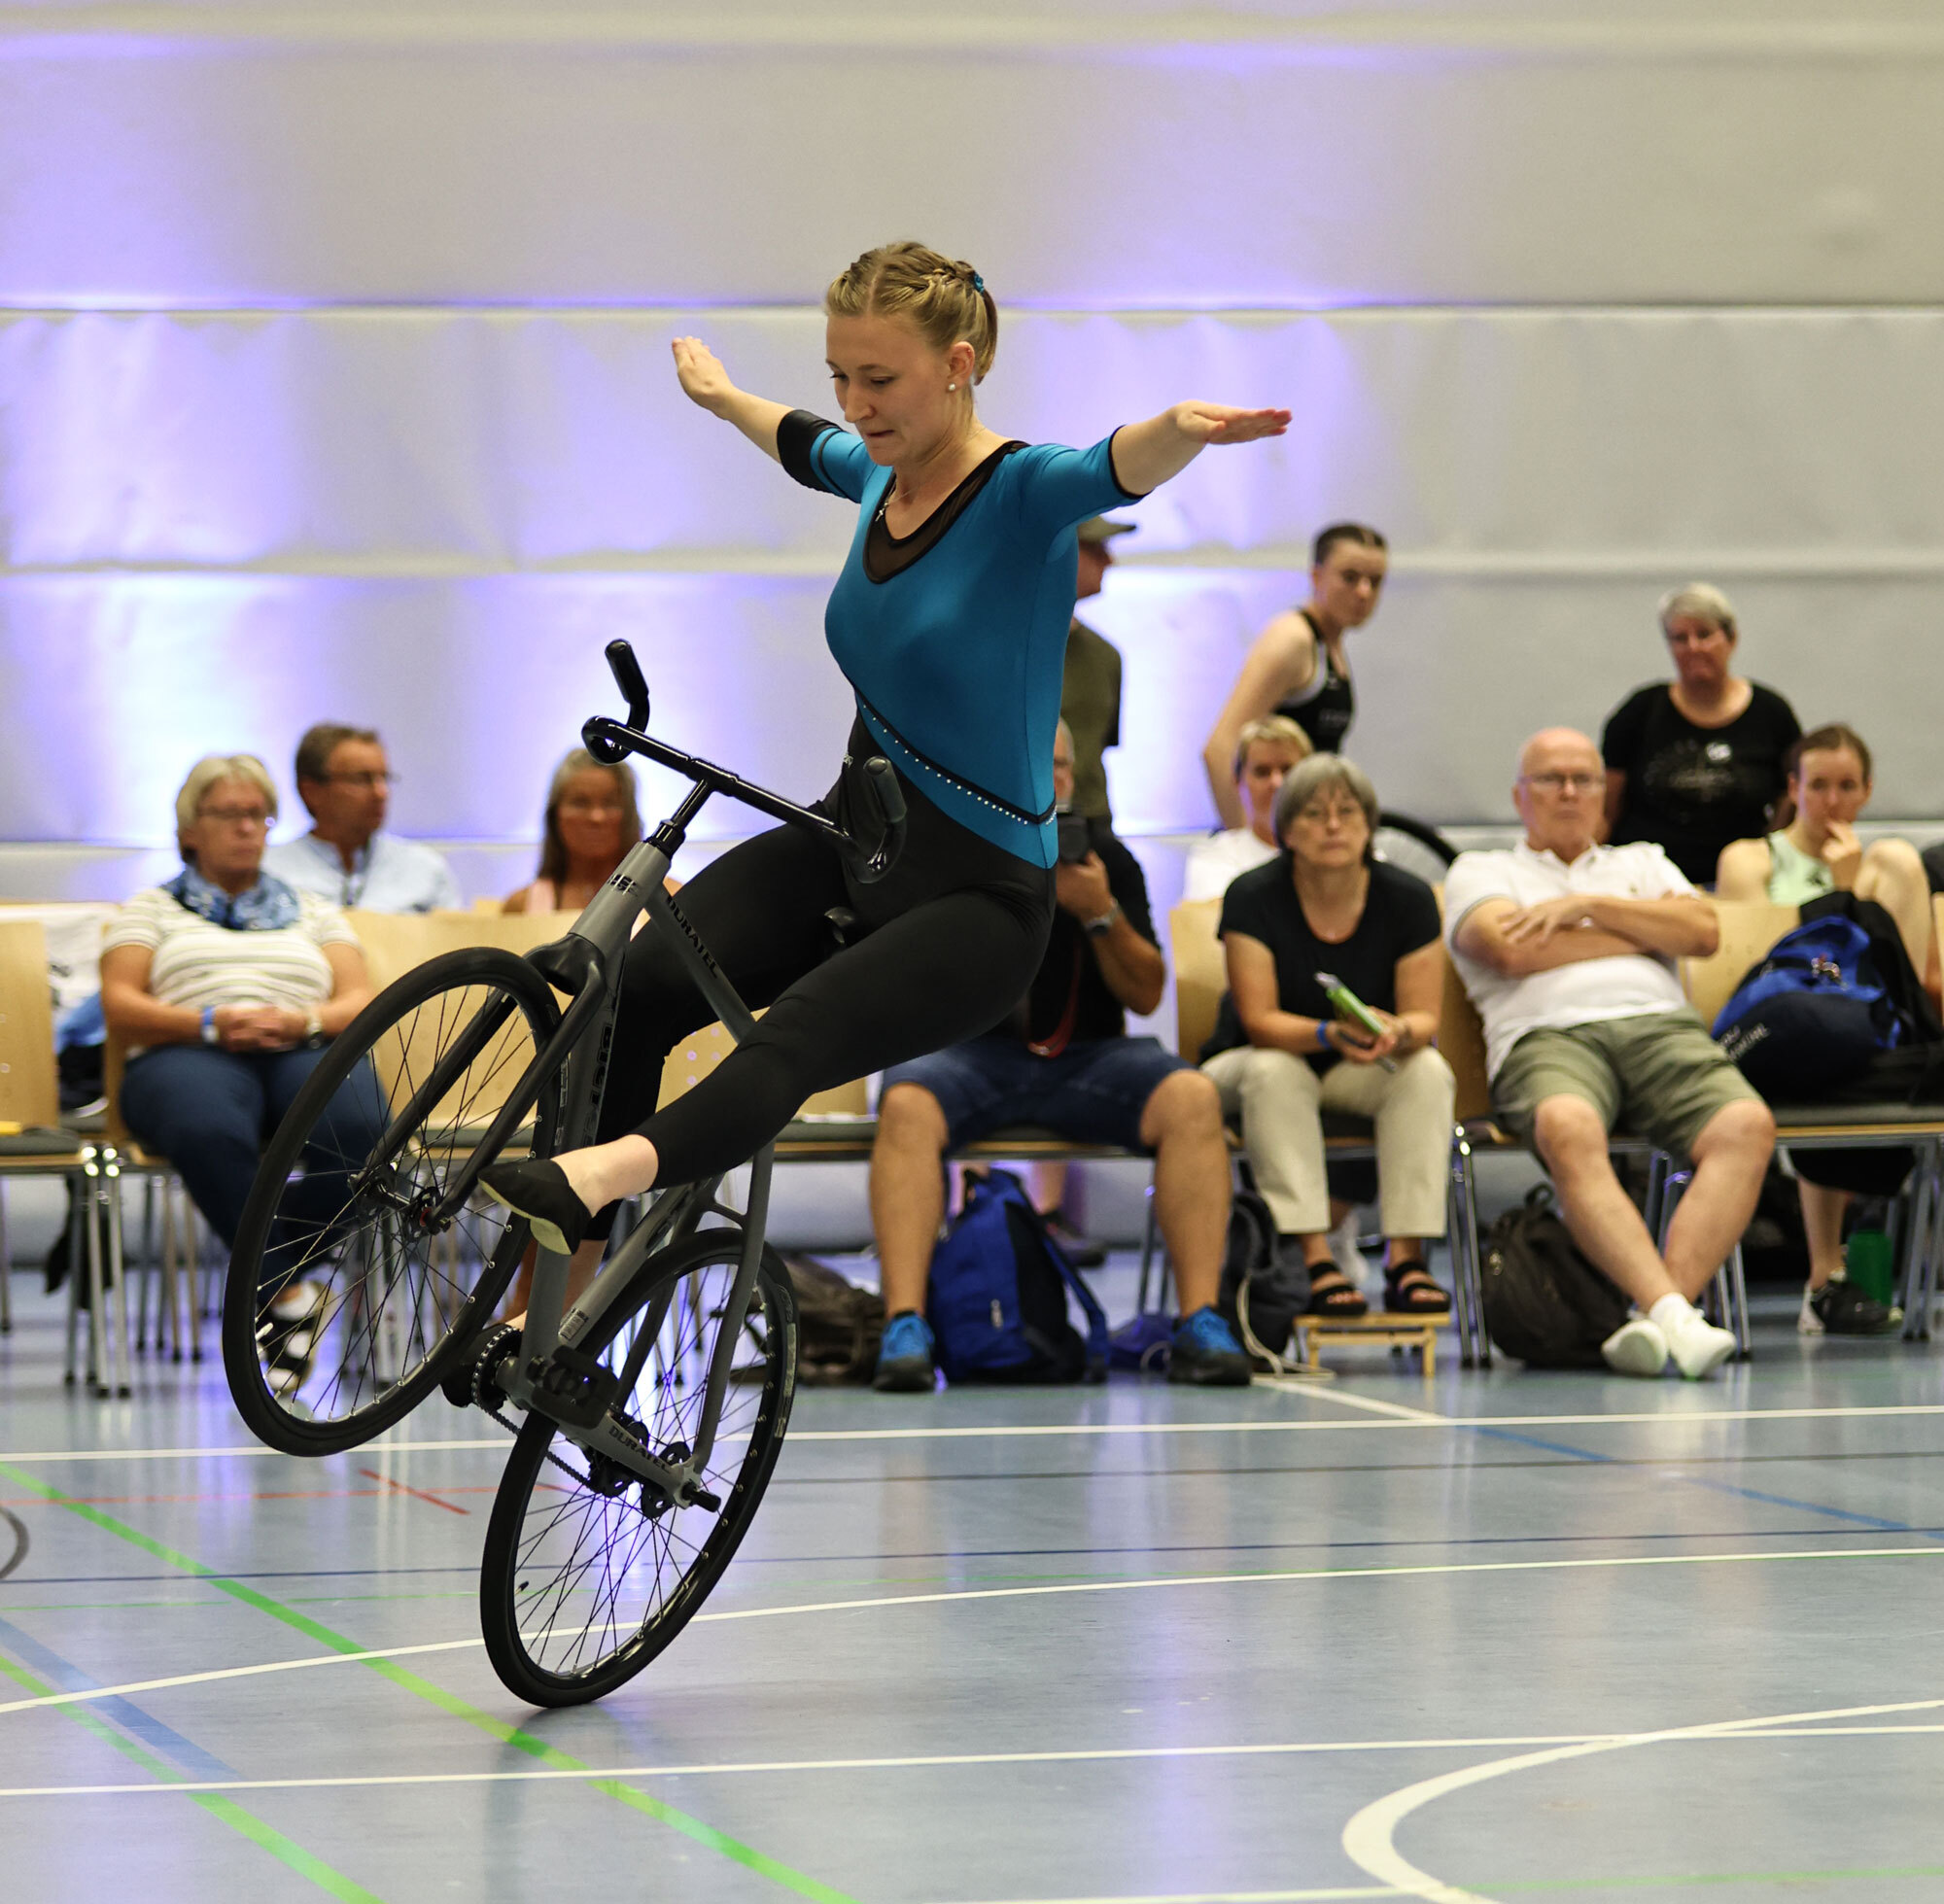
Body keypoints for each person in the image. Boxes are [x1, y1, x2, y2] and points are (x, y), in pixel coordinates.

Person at [473, 242, 1289, 1324]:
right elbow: (799, 442)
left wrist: (1179, 431)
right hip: (851, 845)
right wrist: (720, 398)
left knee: (793, 1038)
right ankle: (556, 1309)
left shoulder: (1018, 493)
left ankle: (601, 1176)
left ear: (957, 364)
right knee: (633, 988)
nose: (856, 406)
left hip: (981, 901)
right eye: (841, 377)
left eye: (881, 380)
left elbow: (1110, 466)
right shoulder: (873, 476)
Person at [867, 722, 1245, 1388]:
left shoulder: (1105, 856)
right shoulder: (958, 850)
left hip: (1091, 1059)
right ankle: (906, 1325)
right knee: (904, 1103)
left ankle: (1200, 1320)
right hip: (975, 1057)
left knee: (1193, 1097)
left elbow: (1147, 987)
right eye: (1038, 764)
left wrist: (1099, 913)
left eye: (1063, 767)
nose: (1053, 778)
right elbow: (920, 979)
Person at [1444, 728, 1775, 1379]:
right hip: (1547, 1037)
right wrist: (1638, 931)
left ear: (1605, 793)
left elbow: (1704, 932)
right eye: (1551, 778)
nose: (1570, 791)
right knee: (1567, 1125)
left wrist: (1585, 906)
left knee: (1747, 1125)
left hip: (1660, 1028)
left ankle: (1656, 1316)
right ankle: (1674, 1314)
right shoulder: (1480, 870)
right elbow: (1509, 951)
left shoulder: (1642, 861)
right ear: (1519, 795)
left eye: (1584, 778)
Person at [100, 755, 385, 1381]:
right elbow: (119, 1004)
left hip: (303, 1042)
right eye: (229, 814)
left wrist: (302, 1020)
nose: (247, 827)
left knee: (367, 1138)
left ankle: (274, 1287)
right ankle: (286, 1297)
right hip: (187, 1050)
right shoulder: (151, 908)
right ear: (189, 829)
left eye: (257, 814)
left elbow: (359, 998)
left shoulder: (312, 910)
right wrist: (208, 1021)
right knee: (208, 1133)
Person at [1199, 754, 1455, 1319]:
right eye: (1314, 814)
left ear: (1369, 825)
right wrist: (1325, 1031)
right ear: (1287, 829)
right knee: (1275, 1071)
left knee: (1427, 1071)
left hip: (1357, 1060)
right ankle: (1313, 1257)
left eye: (1347, 812)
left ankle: (1406, 1259)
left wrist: (1395, 1030)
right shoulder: (1252, 896)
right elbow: (1259, 1019)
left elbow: (1424, 1018)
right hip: (1247, 1060)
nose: (1334, 826)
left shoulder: (1409, 897)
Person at [1716, 722, 1930, 1335]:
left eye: (1846, 786)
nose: (1831, 801)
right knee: (1829, 1052)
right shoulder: (1751, 858)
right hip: (1777, 1032)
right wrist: (1842, 891)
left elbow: (1898, 971)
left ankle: (1837, 1273)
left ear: (1866, 791)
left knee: (1898, 860)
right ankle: (1824, 1273)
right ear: (1793, 787)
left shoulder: (1885, 864)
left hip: (1866, 1031)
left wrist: (1860, 882)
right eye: (1817, 786)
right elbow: (1745, 961)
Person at [1601, 583, 1801, 885]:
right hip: (1646, 882)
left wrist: (1773, 858)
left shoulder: (1771, 713)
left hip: (1740, 882)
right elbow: (1605, 809)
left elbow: (1794, 798)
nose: (1693, 647)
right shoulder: (1639, 712)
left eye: (1704, 635)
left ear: (1731, 639)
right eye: (1680, 638)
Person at [1200, 523, 1387, 828]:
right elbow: (1219, 749)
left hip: (1302, 833)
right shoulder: (1292, 639)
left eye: (1375, 581)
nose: (1363, 592)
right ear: (1316, 576)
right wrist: (1247, 844)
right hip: (1275, 840)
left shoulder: (1331, 644)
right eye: (1350, 577)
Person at [264, 723, 460, 913]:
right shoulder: (269, 872)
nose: (381, 793)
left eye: (384, 778)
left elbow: (457, 941)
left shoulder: (424, 869)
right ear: (311, 792)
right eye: (361, 779)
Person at [1182, 715, 1313, 904]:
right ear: (1238, 781)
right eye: (1262, 772)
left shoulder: (1344, 853)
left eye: (1287, 769)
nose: (1276, 783)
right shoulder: (1214, 859)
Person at [503, 750, 645, 914]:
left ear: (630, 815)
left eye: (610, 803)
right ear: (555, 815)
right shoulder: (520, 907)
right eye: (580, 803)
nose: (596, 817)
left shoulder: (669, 902)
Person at [1060, 516, 1133, 824]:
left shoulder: (1107, 657)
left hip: (1093, 821)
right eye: (1094, 547)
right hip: (1022, 827)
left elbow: (1099, 749)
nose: (1109, 559)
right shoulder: (1003, 651)